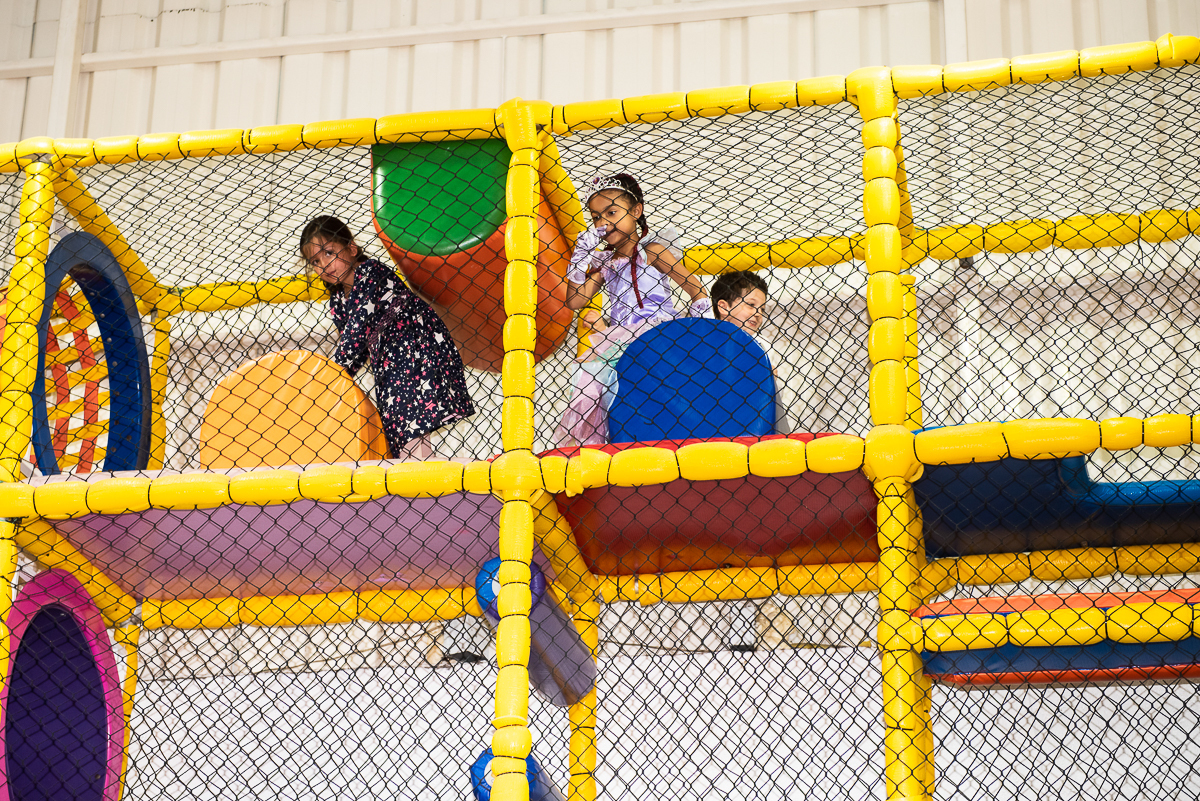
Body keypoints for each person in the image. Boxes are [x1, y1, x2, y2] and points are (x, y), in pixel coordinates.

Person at [300, 216, 475, 459]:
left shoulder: (370, 273)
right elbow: (355, 351)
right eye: (315, 261)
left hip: (416, 349)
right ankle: (412, 470)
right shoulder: (338, 300)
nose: (324, 265)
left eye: (329, 253)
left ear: (351, 248)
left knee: (412, 418)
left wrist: (327, 377)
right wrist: (335, 378)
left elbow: (354, 336)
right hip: (390, 362)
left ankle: (420, 474)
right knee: (396, 423)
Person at [566, 173, 710, 326]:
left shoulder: (651, 252)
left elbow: (696, 289)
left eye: (611, 213)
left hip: (657, 334)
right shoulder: (607, 264)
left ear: (635, 211)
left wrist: (702, 332)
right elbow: (575, 301)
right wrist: (580, 257)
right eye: (596, 217)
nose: (603, 222)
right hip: (622, 340)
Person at [711, 270, 791, 434]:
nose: (758, 314)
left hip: (755, 425)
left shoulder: (762, 346)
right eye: (751, 305)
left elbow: (774, 397)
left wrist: (769, 379)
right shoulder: (707, 341)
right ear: (723, 307)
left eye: (762, 309)